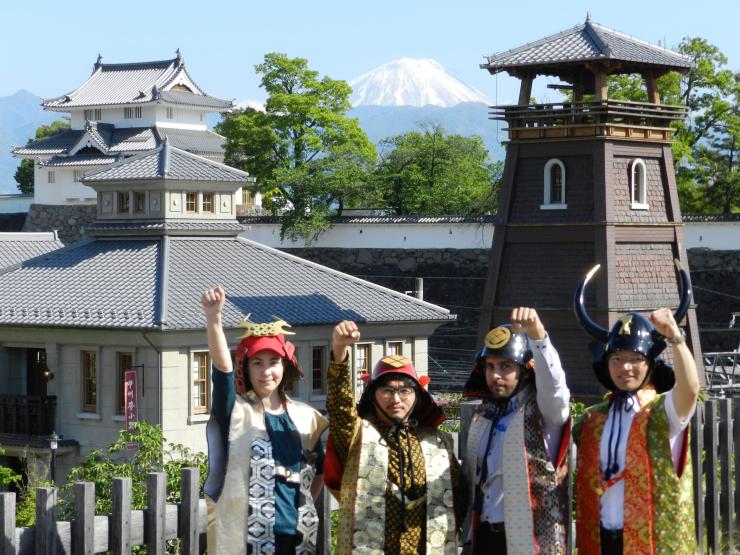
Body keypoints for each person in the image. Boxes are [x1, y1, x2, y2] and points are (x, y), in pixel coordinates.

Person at [572, 263, 700, 554]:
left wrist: (674, 337)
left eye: (635, 359)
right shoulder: (593, 418)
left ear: (650, 364)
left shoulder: (662, 411)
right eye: (616, 359)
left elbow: (690, 390)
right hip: (601, 541)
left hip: (652, 543)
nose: (625, 367)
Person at [201, 286, 328, 555]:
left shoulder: (306, 418)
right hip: (243, 539)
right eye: (257, 363)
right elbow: (222, 373)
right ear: (245, 368)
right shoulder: (235, 410)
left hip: (296, 537)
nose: (266, 371)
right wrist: (214, 320)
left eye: (273, 362)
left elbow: (320, 472)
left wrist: (303, 504)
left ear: (286, 366)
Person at [324, 320, 468, 554]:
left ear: (417, 396)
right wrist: (339, 351)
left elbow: (459, 495)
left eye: (404, 390)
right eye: (387, 390)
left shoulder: (436, 441)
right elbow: (340, 409)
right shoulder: (358, 434)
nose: (396, 399)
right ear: (373, 395)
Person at [462, 307, 571, 554]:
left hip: (531, 542)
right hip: (485, 538)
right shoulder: (483, 417)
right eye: (490, 367)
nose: (496, 375)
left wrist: (538, 335)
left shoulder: (545, 413)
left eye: (505, 366)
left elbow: (554, 386)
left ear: (525, 369)